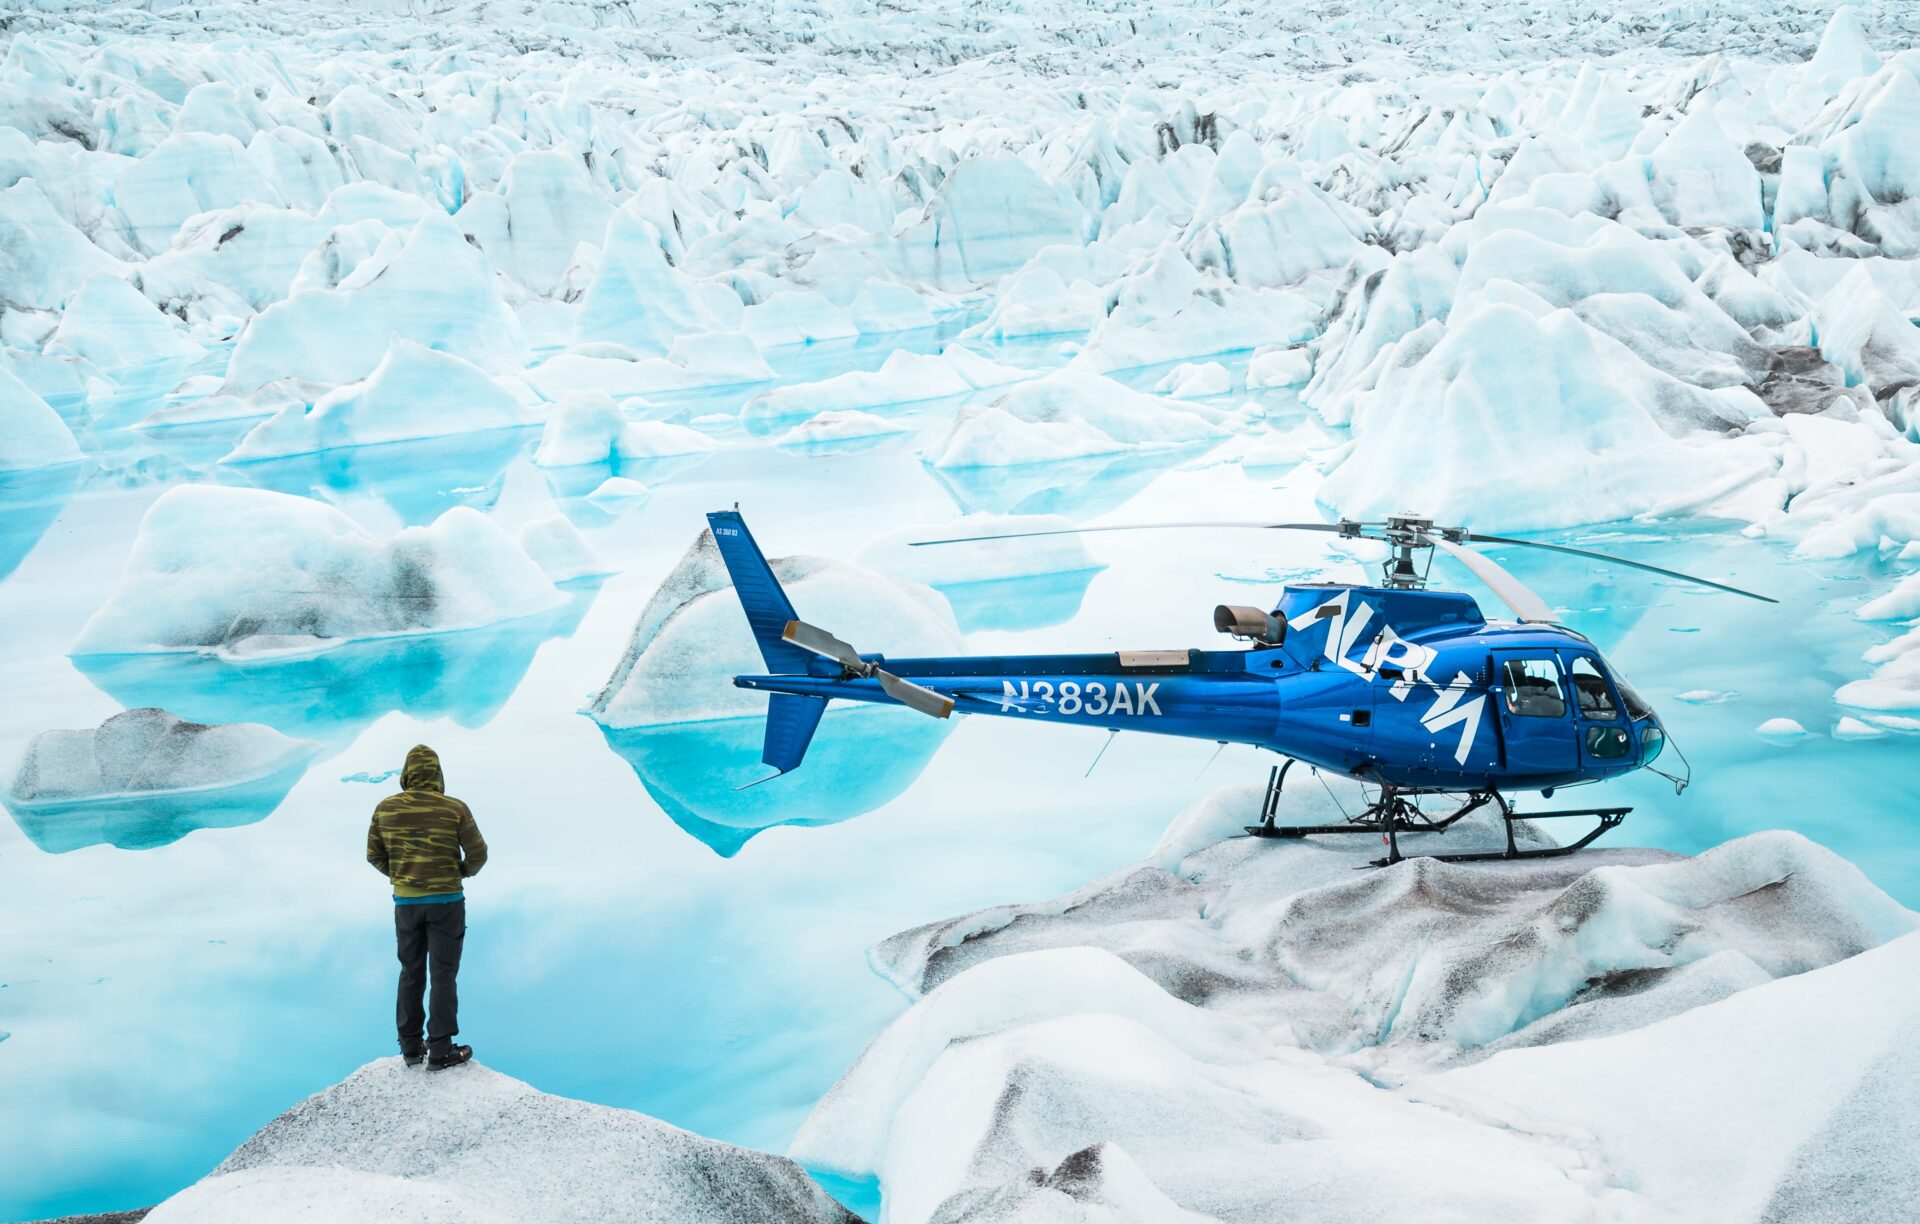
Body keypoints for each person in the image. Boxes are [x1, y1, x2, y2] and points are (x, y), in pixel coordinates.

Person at [366, 744, 487, 1070]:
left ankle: (410, 1048)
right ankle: (440, 1050)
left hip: (406, 905)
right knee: (443, 975)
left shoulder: (385, 808)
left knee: (410, 971)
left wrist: (403, 877)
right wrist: (459, 872)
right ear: (437, 774)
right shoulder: (454, 808)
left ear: (406, 774)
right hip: (447, 903)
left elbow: (373, 855)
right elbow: (479, 854)